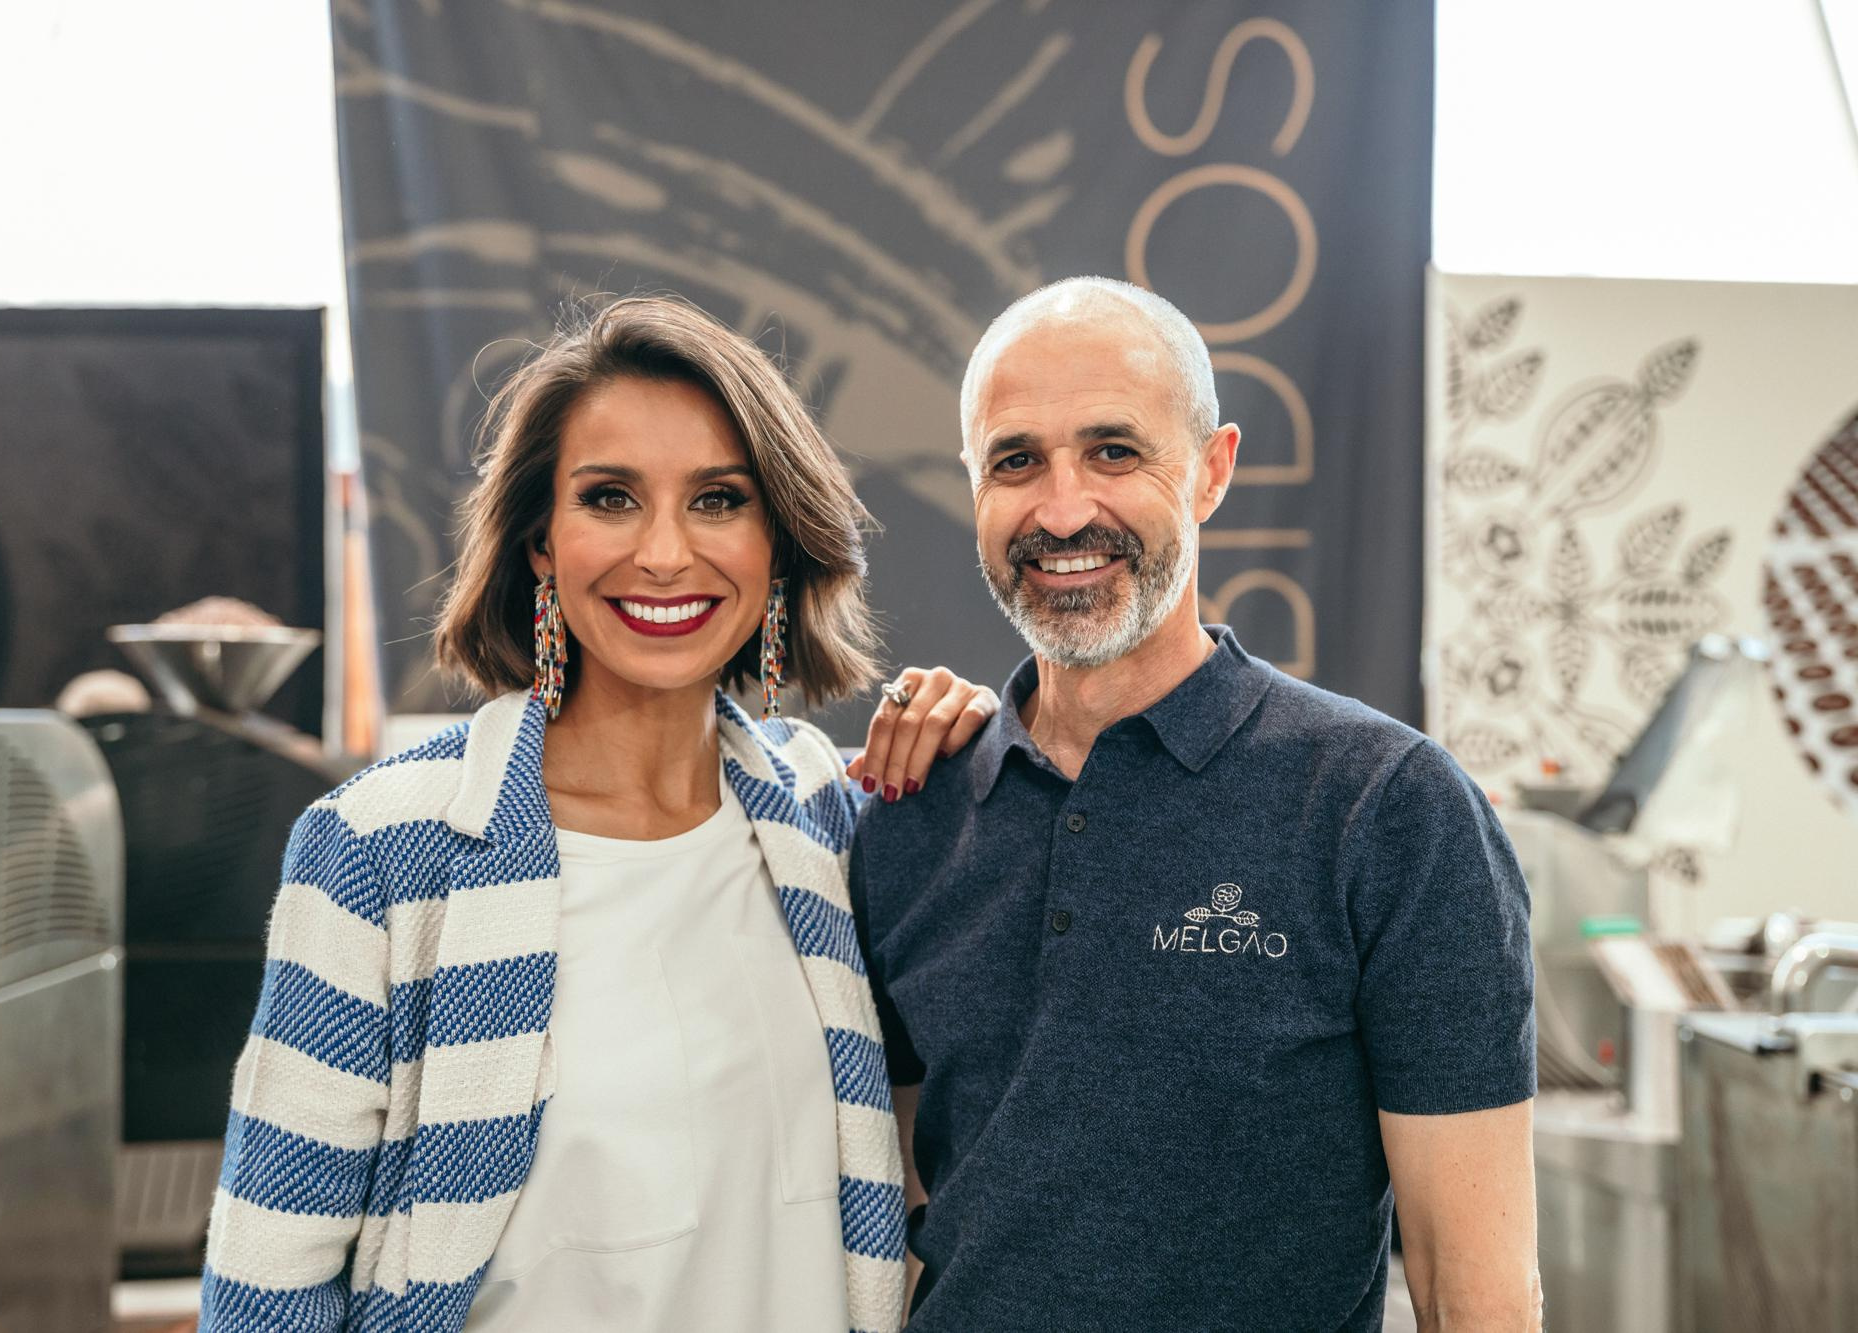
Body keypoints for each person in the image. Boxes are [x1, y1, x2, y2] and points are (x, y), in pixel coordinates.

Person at [199, 296, 996, 1333]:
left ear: (778, 545)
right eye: (610, 497)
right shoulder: (381, 852)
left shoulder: (823, 817)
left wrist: (985, 729)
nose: (664, 554)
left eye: (717, 500)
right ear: (540, 540)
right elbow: (266, 1284)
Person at [850, 277, 1541, 1331]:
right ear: (972, 487)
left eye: (1113, 451)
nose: (1063, 507)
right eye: (1015, 460)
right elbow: (899, 1218)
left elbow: (1473, 1291)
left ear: (1209, 471)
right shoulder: (909, 815)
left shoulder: (1385, 810)